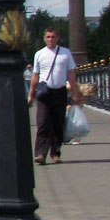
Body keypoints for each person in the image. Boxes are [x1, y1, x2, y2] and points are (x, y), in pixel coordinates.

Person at [27, 28, 78, 165]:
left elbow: (71, 74)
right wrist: (31, 96)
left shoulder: (65, 53)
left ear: (58, 38)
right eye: (48, 37)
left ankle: (55, 153)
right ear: (44, 38)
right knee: (43, 123)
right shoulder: (40, 54)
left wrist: (75, 93)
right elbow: (35, 75)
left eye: (53, 37)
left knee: (57, 123)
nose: (50, 39)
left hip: (60, 91)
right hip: (45, 92)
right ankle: (40, 154)